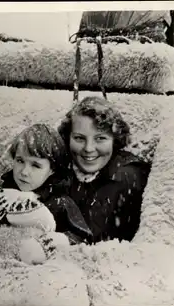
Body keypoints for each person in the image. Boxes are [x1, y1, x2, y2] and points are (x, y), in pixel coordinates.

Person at [57, 96, 151, 245]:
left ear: (115, 139)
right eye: (79, 138)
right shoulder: (58, 169)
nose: (88, 149)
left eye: (100, 138)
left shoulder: (129, 177)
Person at [0, 123, 93, 244]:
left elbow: (83, 238)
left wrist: (57, 241)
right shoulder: (1, 194)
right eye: (20, 161)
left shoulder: (60, 203)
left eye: (35, 165)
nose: (24, 172)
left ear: (52, 170)